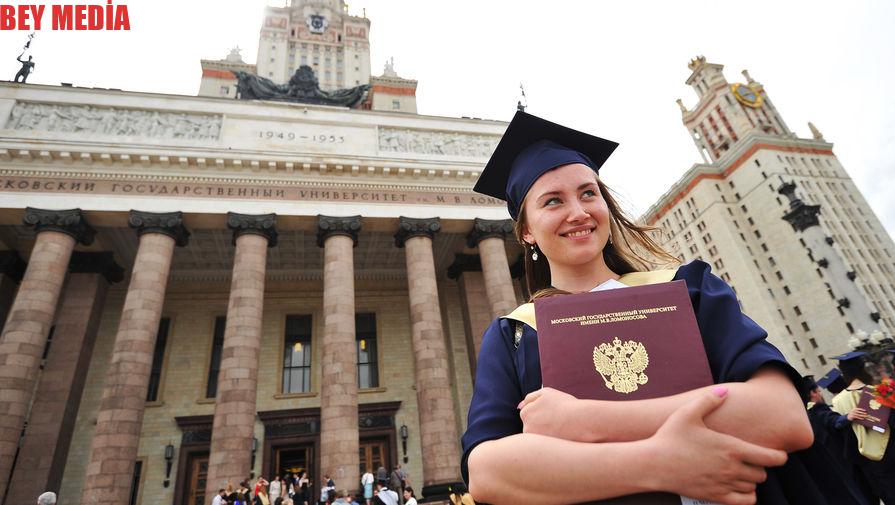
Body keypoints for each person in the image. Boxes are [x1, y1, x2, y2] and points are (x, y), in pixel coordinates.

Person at [461, 111, 814, 504]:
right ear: (527, 230)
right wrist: (657, 462)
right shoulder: (515, 334)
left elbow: (784, 416)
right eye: (553, 201)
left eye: (588, 193)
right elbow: (486, 473)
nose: (578, 212)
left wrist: (587, 420)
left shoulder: (687, 288)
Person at [830, 351, 895, 504]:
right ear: (863, 369)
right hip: (890, 451)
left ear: (843, 373)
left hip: (865, 458)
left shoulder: (837, 401)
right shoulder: (881, 391)